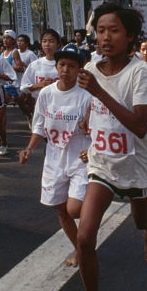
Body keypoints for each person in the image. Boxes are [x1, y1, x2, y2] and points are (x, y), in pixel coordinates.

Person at [71, 2, 147, 291]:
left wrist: (98, 91)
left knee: (139, 221)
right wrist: (89, 120)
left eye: (114, 30)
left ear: (130, 35)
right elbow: (95, 106)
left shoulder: (140, 72)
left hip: (134, 168)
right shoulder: (92, 66)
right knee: (84, 237)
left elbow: (139, 126)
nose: (105, 37)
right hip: (102, 165)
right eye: (101, 30)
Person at [18, 43, 92, 267]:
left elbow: (100, 128)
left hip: (80, 155)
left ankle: (91, 224)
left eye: (71, 66)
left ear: (80, 69)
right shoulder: (47, 94)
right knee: (61, 209)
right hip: (54, 156)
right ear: (56, 66)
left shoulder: (87, 95)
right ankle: (79, 249)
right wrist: (30, 148)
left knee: (74, 208)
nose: (65, 70)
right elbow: (39, 126)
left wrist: (92, 148)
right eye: (62, 64)